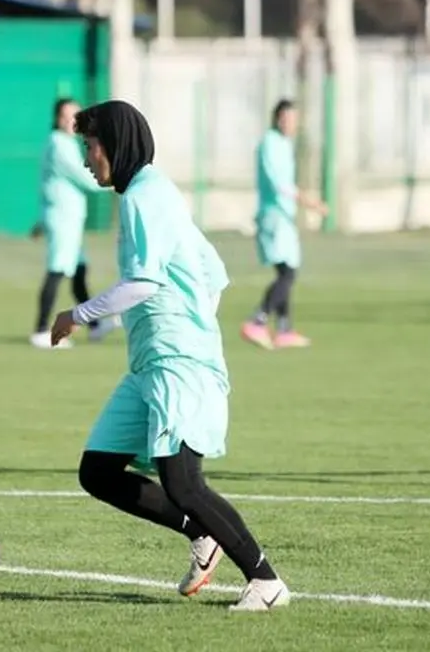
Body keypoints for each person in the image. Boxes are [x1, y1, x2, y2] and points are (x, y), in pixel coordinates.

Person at [50, 99, 290, 611]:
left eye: (90, 146)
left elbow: (144, 282)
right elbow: (213, 271)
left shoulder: (144, 197)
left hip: (175, 363)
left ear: (116, 144)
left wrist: (78, 315)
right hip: (151, 363)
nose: (87, 159)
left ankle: (266, 582)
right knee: (98, 471)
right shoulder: (153, 192)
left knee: (183, 482)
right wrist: (194, 319)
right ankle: (202, 535)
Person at [30, 97, 118, 349]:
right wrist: (115, 179)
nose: (73, 121)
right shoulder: (59, 144)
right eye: (67, 116)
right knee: (58, 269)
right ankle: (41, 330)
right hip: (62, 218)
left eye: (76, 116)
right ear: (57, 119)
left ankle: (95, 325)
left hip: (68, 218)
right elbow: (84, 176)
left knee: (79, 270)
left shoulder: (64, 143)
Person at [240, 99, 327, 350]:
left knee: (286, 272)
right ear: (277, 119)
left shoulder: (283, 144)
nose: (291, 124)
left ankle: (284, 329)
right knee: (287, 273)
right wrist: (309, 201)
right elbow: (279, 185)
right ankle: (257, 320)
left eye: (294, 119)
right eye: (287, 118)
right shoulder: (270, 143)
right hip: (274, 216)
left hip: (284, 217)